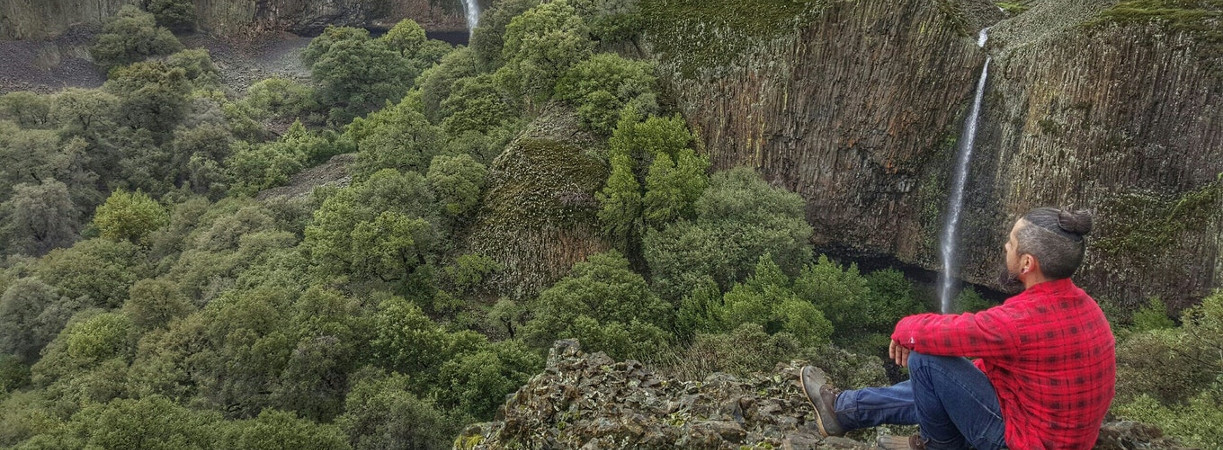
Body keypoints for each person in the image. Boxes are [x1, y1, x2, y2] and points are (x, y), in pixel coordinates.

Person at [801, 207, 1116, 450]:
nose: (1005, 248)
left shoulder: (1019, 322)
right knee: (943, 380)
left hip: (1020, 441)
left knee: (927, 360)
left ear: (1027, 263)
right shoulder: (1088, 307)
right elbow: (984, 373)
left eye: (1010, 244)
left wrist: (903, 328)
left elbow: (941, 335)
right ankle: (843, 411)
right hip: (1053, 435)